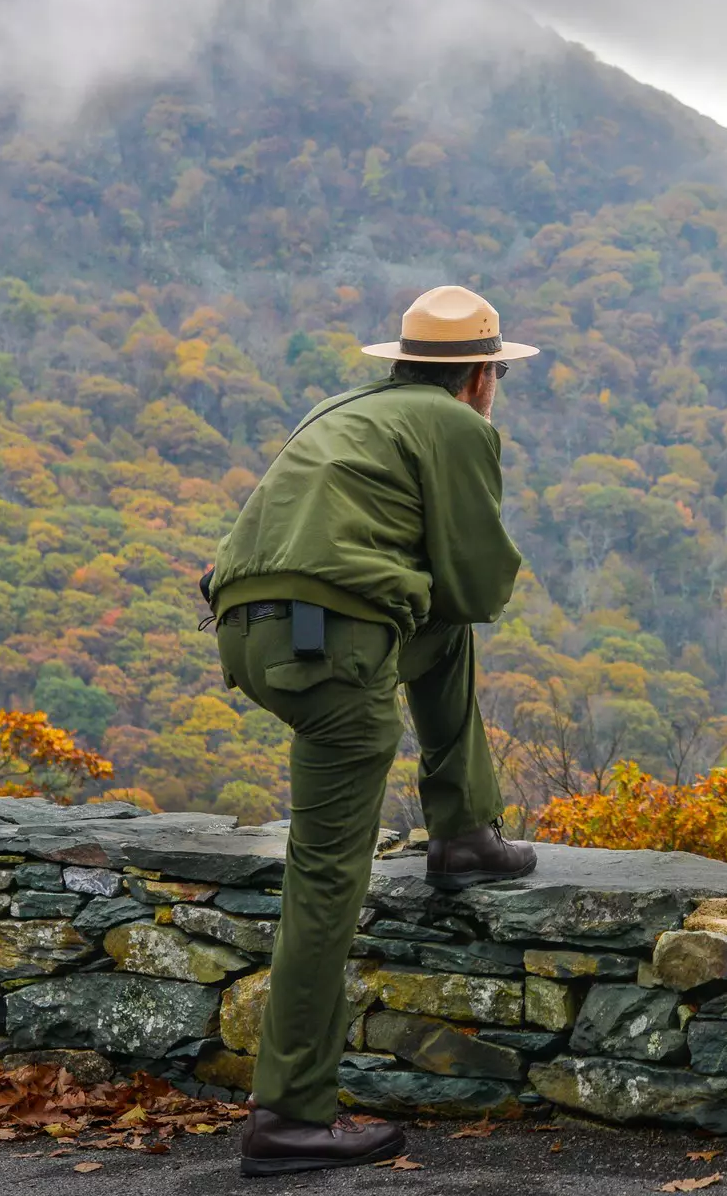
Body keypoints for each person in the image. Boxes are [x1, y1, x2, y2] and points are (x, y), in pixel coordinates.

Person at [206, 284, 541, 1176]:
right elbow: (477, 586)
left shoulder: (343, 409)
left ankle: (464, 829)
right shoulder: (460, 427)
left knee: (436, 636)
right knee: (323, 877)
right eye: (495, 373)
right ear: (479, 376)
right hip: (332, 644)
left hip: (250, 629)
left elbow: (440, 616)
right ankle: (289, 1116)